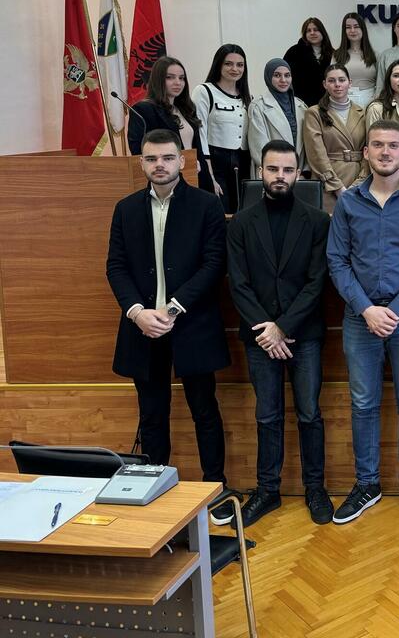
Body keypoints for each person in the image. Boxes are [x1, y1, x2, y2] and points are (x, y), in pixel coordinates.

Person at [105, 129, 232, 523]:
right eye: (151, 159)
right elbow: (116, 267)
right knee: (152, 414)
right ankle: (154, 488)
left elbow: (214, 263)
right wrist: (137, 312)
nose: (159, 165)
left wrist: (174, 309)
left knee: (204, 410)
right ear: (141, 163)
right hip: (143, 327)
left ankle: (216, 488)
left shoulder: (206, 205)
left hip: (191, 324)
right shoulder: (126, 209)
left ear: (181, 160)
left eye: (166, 158)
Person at [326, 119, 399, 524]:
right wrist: (367, 309)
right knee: (363, 403)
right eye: (377, 145)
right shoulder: (348, 203)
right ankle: (367, 484)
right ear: (366, 152)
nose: (385, 152)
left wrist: (394, 311)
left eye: (393, 145)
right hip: (360, 319)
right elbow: (337, 261)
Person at [226, 140, 332, 526]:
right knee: (267, 415)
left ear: (299, 173)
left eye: (288, 170)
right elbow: (238, 283)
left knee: (309, 414)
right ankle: (267, 491)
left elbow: (317, 282)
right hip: (259, 337)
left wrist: (283, 327)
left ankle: (315, 489)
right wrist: (268, 331)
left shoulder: (318, 221)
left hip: (303, 334)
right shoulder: (240, 222)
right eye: (273, 169)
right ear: (260, 171)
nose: (280, 176)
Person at [128, 56, 216, 193]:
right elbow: (138, 149)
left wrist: (210, 178)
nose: (178, 83)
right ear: (158, 80)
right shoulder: (144, 109)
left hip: (198, 175)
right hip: (168, 179)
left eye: (181, 78)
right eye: (170, 77)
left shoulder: (187, 109)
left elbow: (197, 148)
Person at [301, 63, 368, 212]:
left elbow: (368, 150)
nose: (337, 84)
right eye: (331, 81)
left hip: (358, 183)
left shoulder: (363, 113)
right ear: (324, 84)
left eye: (342, 80)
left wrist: (359, 183)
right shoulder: (314, 113)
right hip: (328, 183)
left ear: (350, 83)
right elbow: (316, 154)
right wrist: (338, 188)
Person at [194, 43, 252, 212]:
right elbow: (200, 132)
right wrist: (209, 174)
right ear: (218, 64)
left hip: (243, 161)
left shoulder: (247, 97)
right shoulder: (204, 91)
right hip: (216, 161)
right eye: (228, 64)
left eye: (240, 65)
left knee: (243, 211)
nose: (235, 69)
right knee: (220, 210)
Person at [248, 58, 308, 178]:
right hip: (271, 174)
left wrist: (304, 172)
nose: (283, 80)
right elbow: (259, 148)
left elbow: (308, 146)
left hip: (299, 175)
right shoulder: (258, 106)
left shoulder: (301, 106)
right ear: (268, 77)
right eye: (277, 75)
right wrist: (281, 172)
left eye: (287, 75)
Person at [283, 17, 334, 108]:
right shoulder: (294, 52)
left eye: (316, 30)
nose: (312, 33)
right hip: (301, 104)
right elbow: (285, 77)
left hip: (327, 104)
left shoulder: (332, 53)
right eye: (308, 31)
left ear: (322, 32)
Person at [333, 12, 378, 107]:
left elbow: (381, 83)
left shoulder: (375, 55)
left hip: (371, 102)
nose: (352, 30)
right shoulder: (337, 55)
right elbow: (332, 81)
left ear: (362, 29)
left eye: (356, 26)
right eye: (348, 27)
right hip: (344, 101)